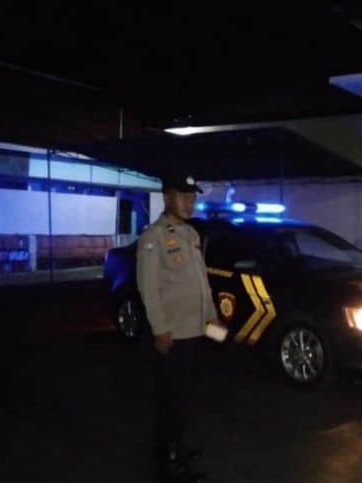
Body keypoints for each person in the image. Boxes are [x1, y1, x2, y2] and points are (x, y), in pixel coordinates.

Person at [137, 174, 217, 482]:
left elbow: (201, 282)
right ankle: (170, 463)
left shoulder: (191, 234)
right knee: (173, 397)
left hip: (196, 329)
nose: (189, 202)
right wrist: (159, 329)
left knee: (184, 394)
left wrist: (211, 318)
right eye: (183, 196)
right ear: (167, 197)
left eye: (192, 197)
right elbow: (148, 287)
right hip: (173, 334)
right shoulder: (153, 237)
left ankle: (173, 446)